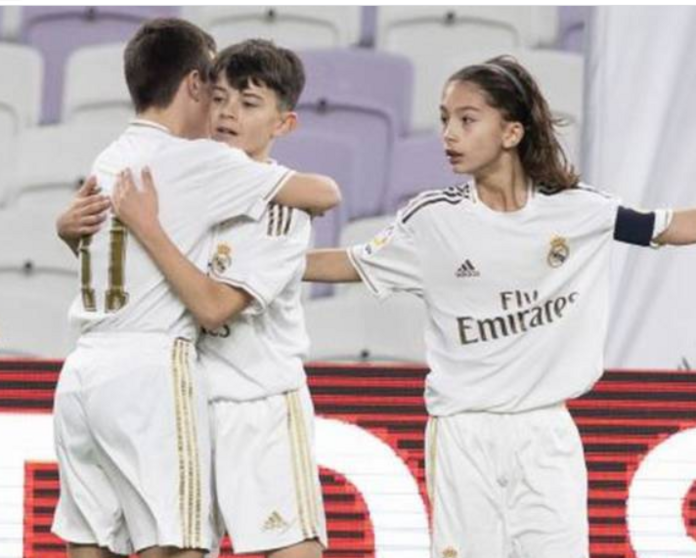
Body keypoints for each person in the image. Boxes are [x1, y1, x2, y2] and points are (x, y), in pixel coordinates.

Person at [302, 55, 696, 558]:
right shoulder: (433, 221)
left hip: (546, 431)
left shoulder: (579, 212)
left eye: (467, 119)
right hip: (465, 433)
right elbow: (351, 263)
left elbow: (671, 227)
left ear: (511, 132)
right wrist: (268, 262)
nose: (448, 133)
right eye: (444, 118)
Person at [52, 20, 339, 558]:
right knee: (173, 543)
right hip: (180, 389)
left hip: (256, 401)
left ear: (284, 122)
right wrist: (75, 233)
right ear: (196, 88)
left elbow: (324, 194)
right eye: (220, 95)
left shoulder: (258, 199)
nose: (227, 112)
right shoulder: (198, 172)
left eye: (247, 103)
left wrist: (135, 228)